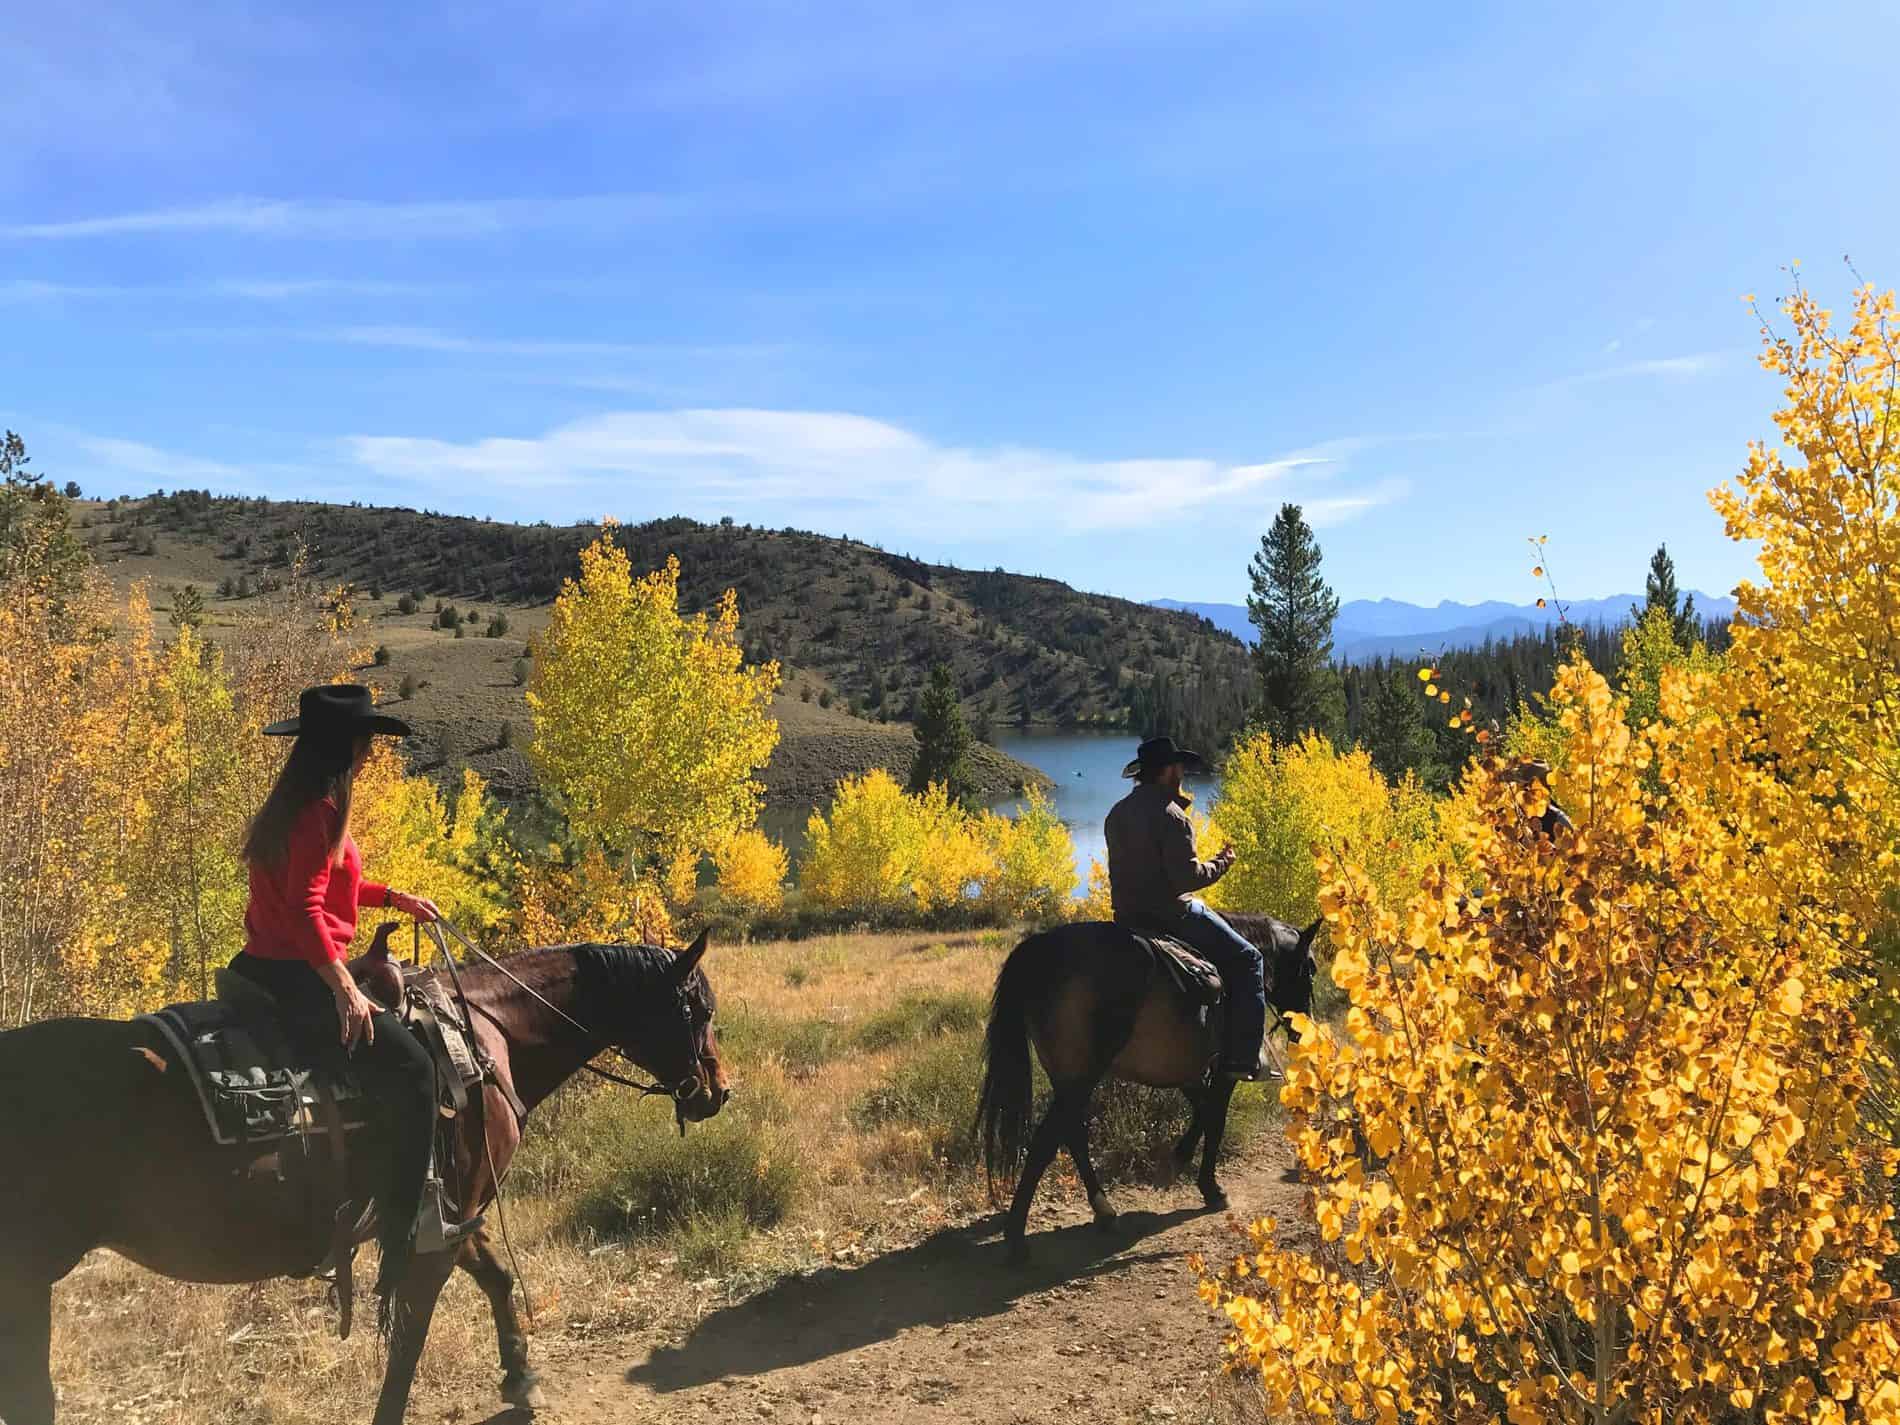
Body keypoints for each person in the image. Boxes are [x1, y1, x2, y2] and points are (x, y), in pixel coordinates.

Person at [228, 683, 446, 1306]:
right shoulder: (320, 810)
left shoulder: (297, 804)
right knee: (415, 1069)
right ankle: (403, 1238)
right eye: (368, 741)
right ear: (348, 746)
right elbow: (304, 909)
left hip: (265, 966)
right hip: (298, 977)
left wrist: (394, 897)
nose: (372, 752)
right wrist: (347, 986)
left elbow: (327, 886)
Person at [1103, 736, 1269, 1080]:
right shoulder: (1173, 816)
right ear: (1167, 771)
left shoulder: (1116, 813)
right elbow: (1186, 879)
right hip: (1171, 915)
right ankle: (1245, 1058)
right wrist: (1222, 863)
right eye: (1179, 766)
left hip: (1127, 917)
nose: (1182, 772)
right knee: (1250, 959)